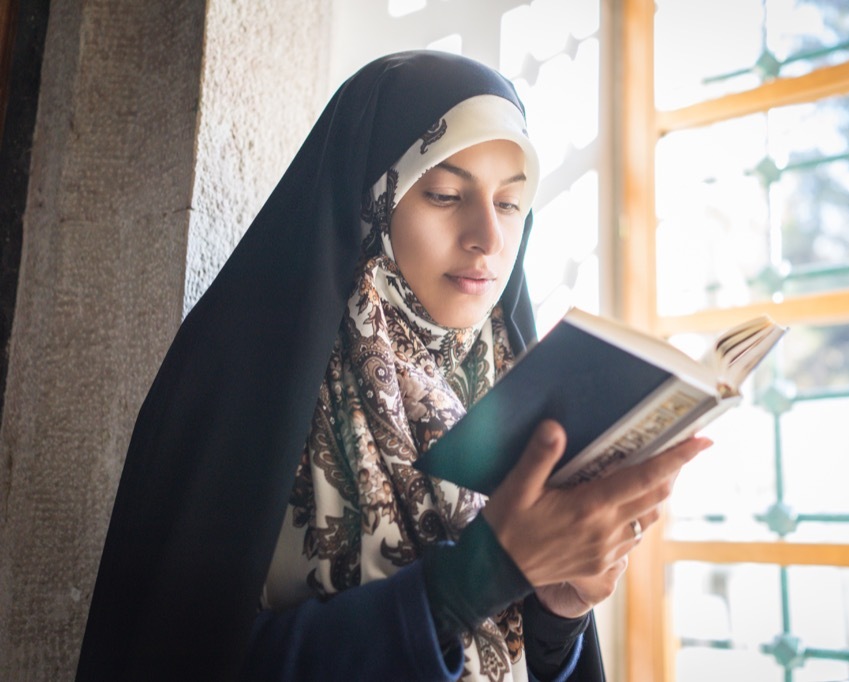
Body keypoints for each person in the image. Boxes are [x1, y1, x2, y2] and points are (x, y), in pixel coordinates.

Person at [75, 51, 711, 681]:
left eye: (511, 204)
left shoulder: (509, 391)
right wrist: (473, 579)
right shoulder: (245, 385)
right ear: (371, 199)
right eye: (443, 193)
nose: (488, 238)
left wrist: (558, 615)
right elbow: (173, 656)